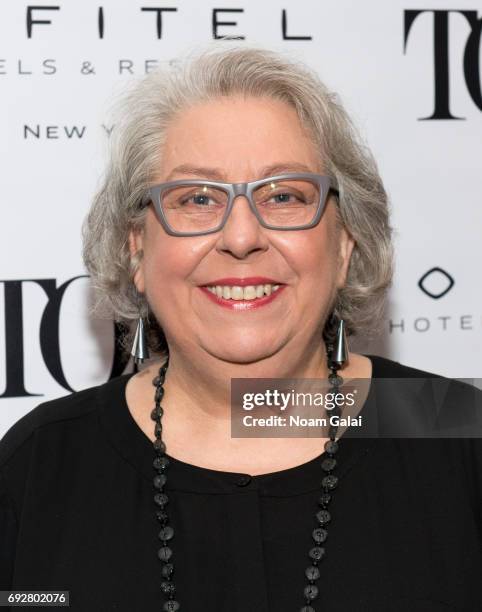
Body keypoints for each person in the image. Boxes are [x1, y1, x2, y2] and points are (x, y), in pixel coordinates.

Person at [1, 44, 481, 612]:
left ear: (346, 244)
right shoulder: (41, 465)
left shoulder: (456, 433)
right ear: (137, 249)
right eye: (197, 198)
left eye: (283, 195)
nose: (241, 236)